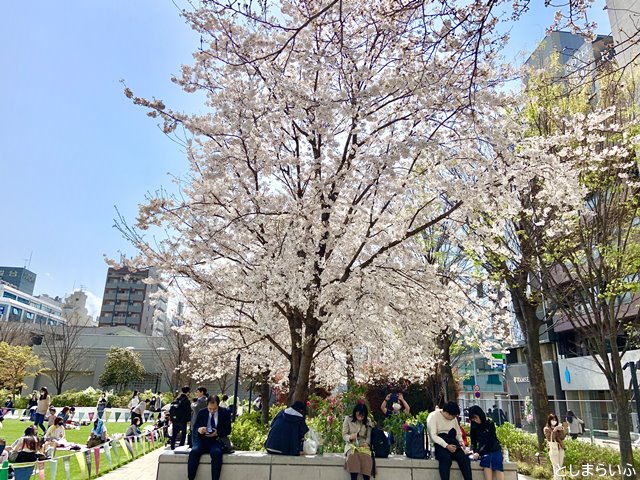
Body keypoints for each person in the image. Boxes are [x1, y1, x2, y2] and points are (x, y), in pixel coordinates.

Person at [187, 395, 232, 480]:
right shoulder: (201, 412)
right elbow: (195, 427)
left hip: (216, 440)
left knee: (217, 453)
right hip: (202, 440)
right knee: (194, 452)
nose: (212, 411)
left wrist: (217, 433)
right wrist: (199, 429)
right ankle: (190, 478)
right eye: (210, 409)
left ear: (218, 405)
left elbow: (228, 430)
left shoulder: (225, 412)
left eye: (214, 409)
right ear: (207, 405)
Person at [427, 402, 473, 480]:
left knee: (464, 459)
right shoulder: (433, 416)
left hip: (452, 442)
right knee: (445, 459)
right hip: (439, 444)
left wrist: (461, 441)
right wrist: (446, 446)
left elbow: (458, 432)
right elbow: (433, 436)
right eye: (453, 416)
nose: (454, 418)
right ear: (447, 413)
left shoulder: (453, 419)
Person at [469, 405, 504, 480]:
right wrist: (474, 451)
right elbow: (473, 441)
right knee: (487, 461)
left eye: (475, 417)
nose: (475, 420)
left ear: (480, 415)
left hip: (493, 448)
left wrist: (479, 452)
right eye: (473, 419)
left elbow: (490, 440)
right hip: (484, 452)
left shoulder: (490, 424)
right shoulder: (474, 427)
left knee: (497, 461)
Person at [343, 403, 375, 480]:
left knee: (367, 458)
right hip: (351, 444)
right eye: (359, 415)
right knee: (353, 456)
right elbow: (344, 435)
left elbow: (368, 436)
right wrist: (350, 437)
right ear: (355, 413)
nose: (360, 417)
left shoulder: (367, 421)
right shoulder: (348, 419)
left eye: (362, 415)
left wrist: (366, 443)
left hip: (363, 444)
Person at [544, 413, 565, 480]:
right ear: (549, 420)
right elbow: (551, 439)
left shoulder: (558, 428)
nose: (554, 421)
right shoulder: (546, 429)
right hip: (553, 449)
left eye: (555, 420)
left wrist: (561, 430)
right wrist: (554, 431)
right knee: (556, 466)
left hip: (560, 448)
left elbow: (562, 437)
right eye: (552, 420)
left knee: (560, 465)